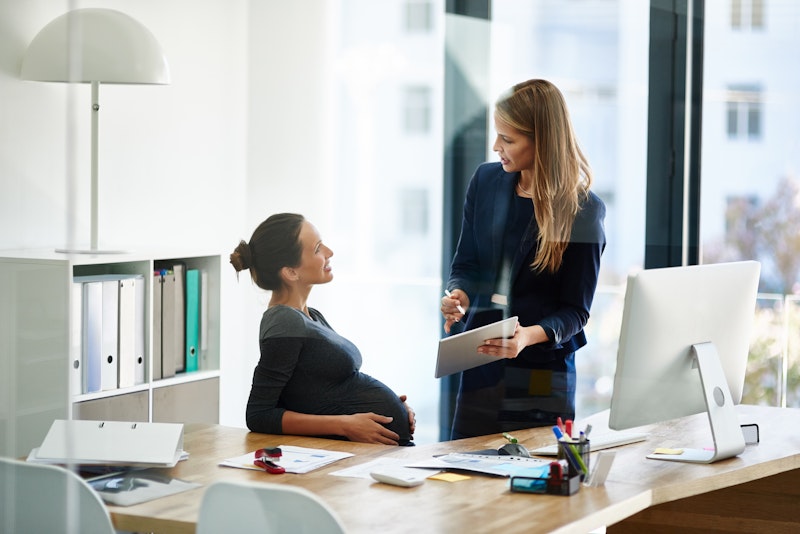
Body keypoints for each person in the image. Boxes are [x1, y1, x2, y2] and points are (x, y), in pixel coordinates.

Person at [440, 79, 606, 439]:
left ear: (541, 141)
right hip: (481, 366)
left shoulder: (583, 211)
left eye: (508, 139)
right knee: (464, 477)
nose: (496, 146)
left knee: (533, 483)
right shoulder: (485, 181)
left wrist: (527, 337)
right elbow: (466, 265)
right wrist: (459, 296)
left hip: (543, 375)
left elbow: (575, 311)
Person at [231, 213, 415, 445]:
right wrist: (346, 424)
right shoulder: (283, 321)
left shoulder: (311, 316)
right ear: (291, 272)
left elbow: (315, 393)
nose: (329, 252)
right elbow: (259, 414)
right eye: (318, 248)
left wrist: (393, 407)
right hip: (347, 456)